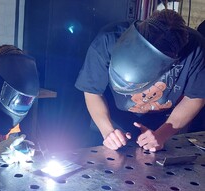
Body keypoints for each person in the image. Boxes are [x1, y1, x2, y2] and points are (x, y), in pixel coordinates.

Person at [75, 9, 205, 152]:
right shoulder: (108, 39)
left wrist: (162, 134)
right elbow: (92, 91)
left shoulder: (196, 48)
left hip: (160, 126)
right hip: (110, 121)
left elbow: (195, 97)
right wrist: (107, 131)